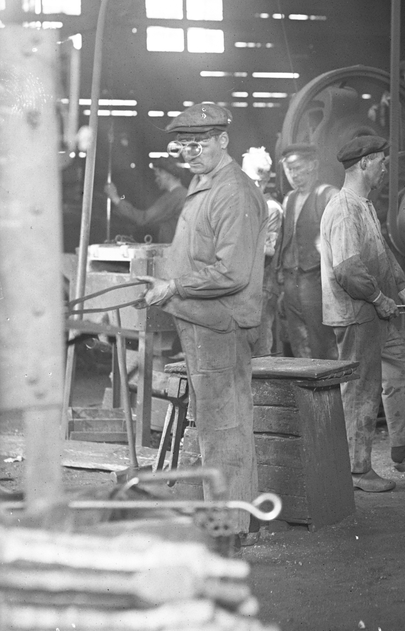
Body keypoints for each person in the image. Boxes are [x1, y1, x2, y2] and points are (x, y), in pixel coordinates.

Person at [138, 102, 265, 544]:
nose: (190, 152)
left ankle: (229, 530)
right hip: (200, 320)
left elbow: (233, 272)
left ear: (223, 140)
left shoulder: (233, 192)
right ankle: (236, 520)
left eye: (200, 143)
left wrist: (173, 286)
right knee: (220, 425)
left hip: (220, 327)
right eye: (184, 145)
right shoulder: (204, 183)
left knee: (223, 429)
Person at [320, 134, 405, 493]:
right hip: (356, 314)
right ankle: (357, 471)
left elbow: (382, 253)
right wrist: (379, 298)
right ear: (364, 164)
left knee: (403, 367)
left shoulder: (363, 205)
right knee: (361, 391)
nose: (385, 168)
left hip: (374, 313)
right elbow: (348, 269)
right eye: (381, 162)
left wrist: (402, 288)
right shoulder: (343, 208)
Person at [273, 143, 338, 359]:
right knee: (298, 341)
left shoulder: (328, 195)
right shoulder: (289, 199)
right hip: (291, 281)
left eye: (298, 168)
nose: (293, 175)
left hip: (316, 281)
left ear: (313, 165)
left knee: (322, 341)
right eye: (289, 170)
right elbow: (284, 240)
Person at [241, 147, 283, 356]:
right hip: (243, 285)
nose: (257, 186)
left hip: (263, 286)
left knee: (260, 345)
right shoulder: (242, 205)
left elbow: (268, 250)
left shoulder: (271, 208)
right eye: (252, 180)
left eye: (262, 181)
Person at [105, 159, 188, 244]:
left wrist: (115, 198)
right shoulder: (182, 193)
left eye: (157, 176)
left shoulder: (175, 196)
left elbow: (143, 219)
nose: (156, 180)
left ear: (166, 174)